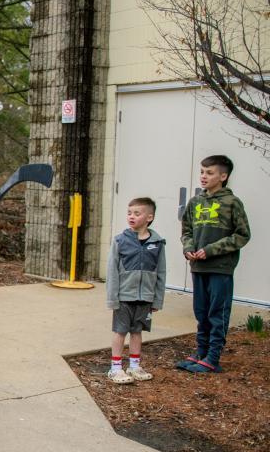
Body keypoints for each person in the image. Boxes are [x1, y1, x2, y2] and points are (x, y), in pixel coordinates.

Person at [177, 155, 251, 373]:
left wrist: (210, 250)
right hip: (198, 267)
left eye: (209, 173)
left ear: (223, 176)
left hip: (220, 268)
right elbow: (187, 231)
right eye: (202, 172)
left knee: (217, 312)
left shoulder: (232, 203)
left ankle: (213, 357)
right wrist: (188, 248)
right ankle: (201, 352)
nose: (203, 176)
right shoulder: (195, 202)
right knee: (201, 312)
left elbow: (242, 235)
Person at [105, 197, 166, 384]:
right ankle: (115, 368)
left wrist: (157, 300)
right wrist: (112, 298)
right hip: (124, 296)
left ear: (149, 217)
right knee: (120, 331)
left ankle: (134, 365)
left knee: (137, 332)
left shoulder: (158, 243)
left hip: (145, 297)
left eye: (137, 213)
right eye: (129, 213)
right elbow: (112, 271)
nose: (131, 216)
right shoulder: (120, 241)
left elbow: (161, 272)